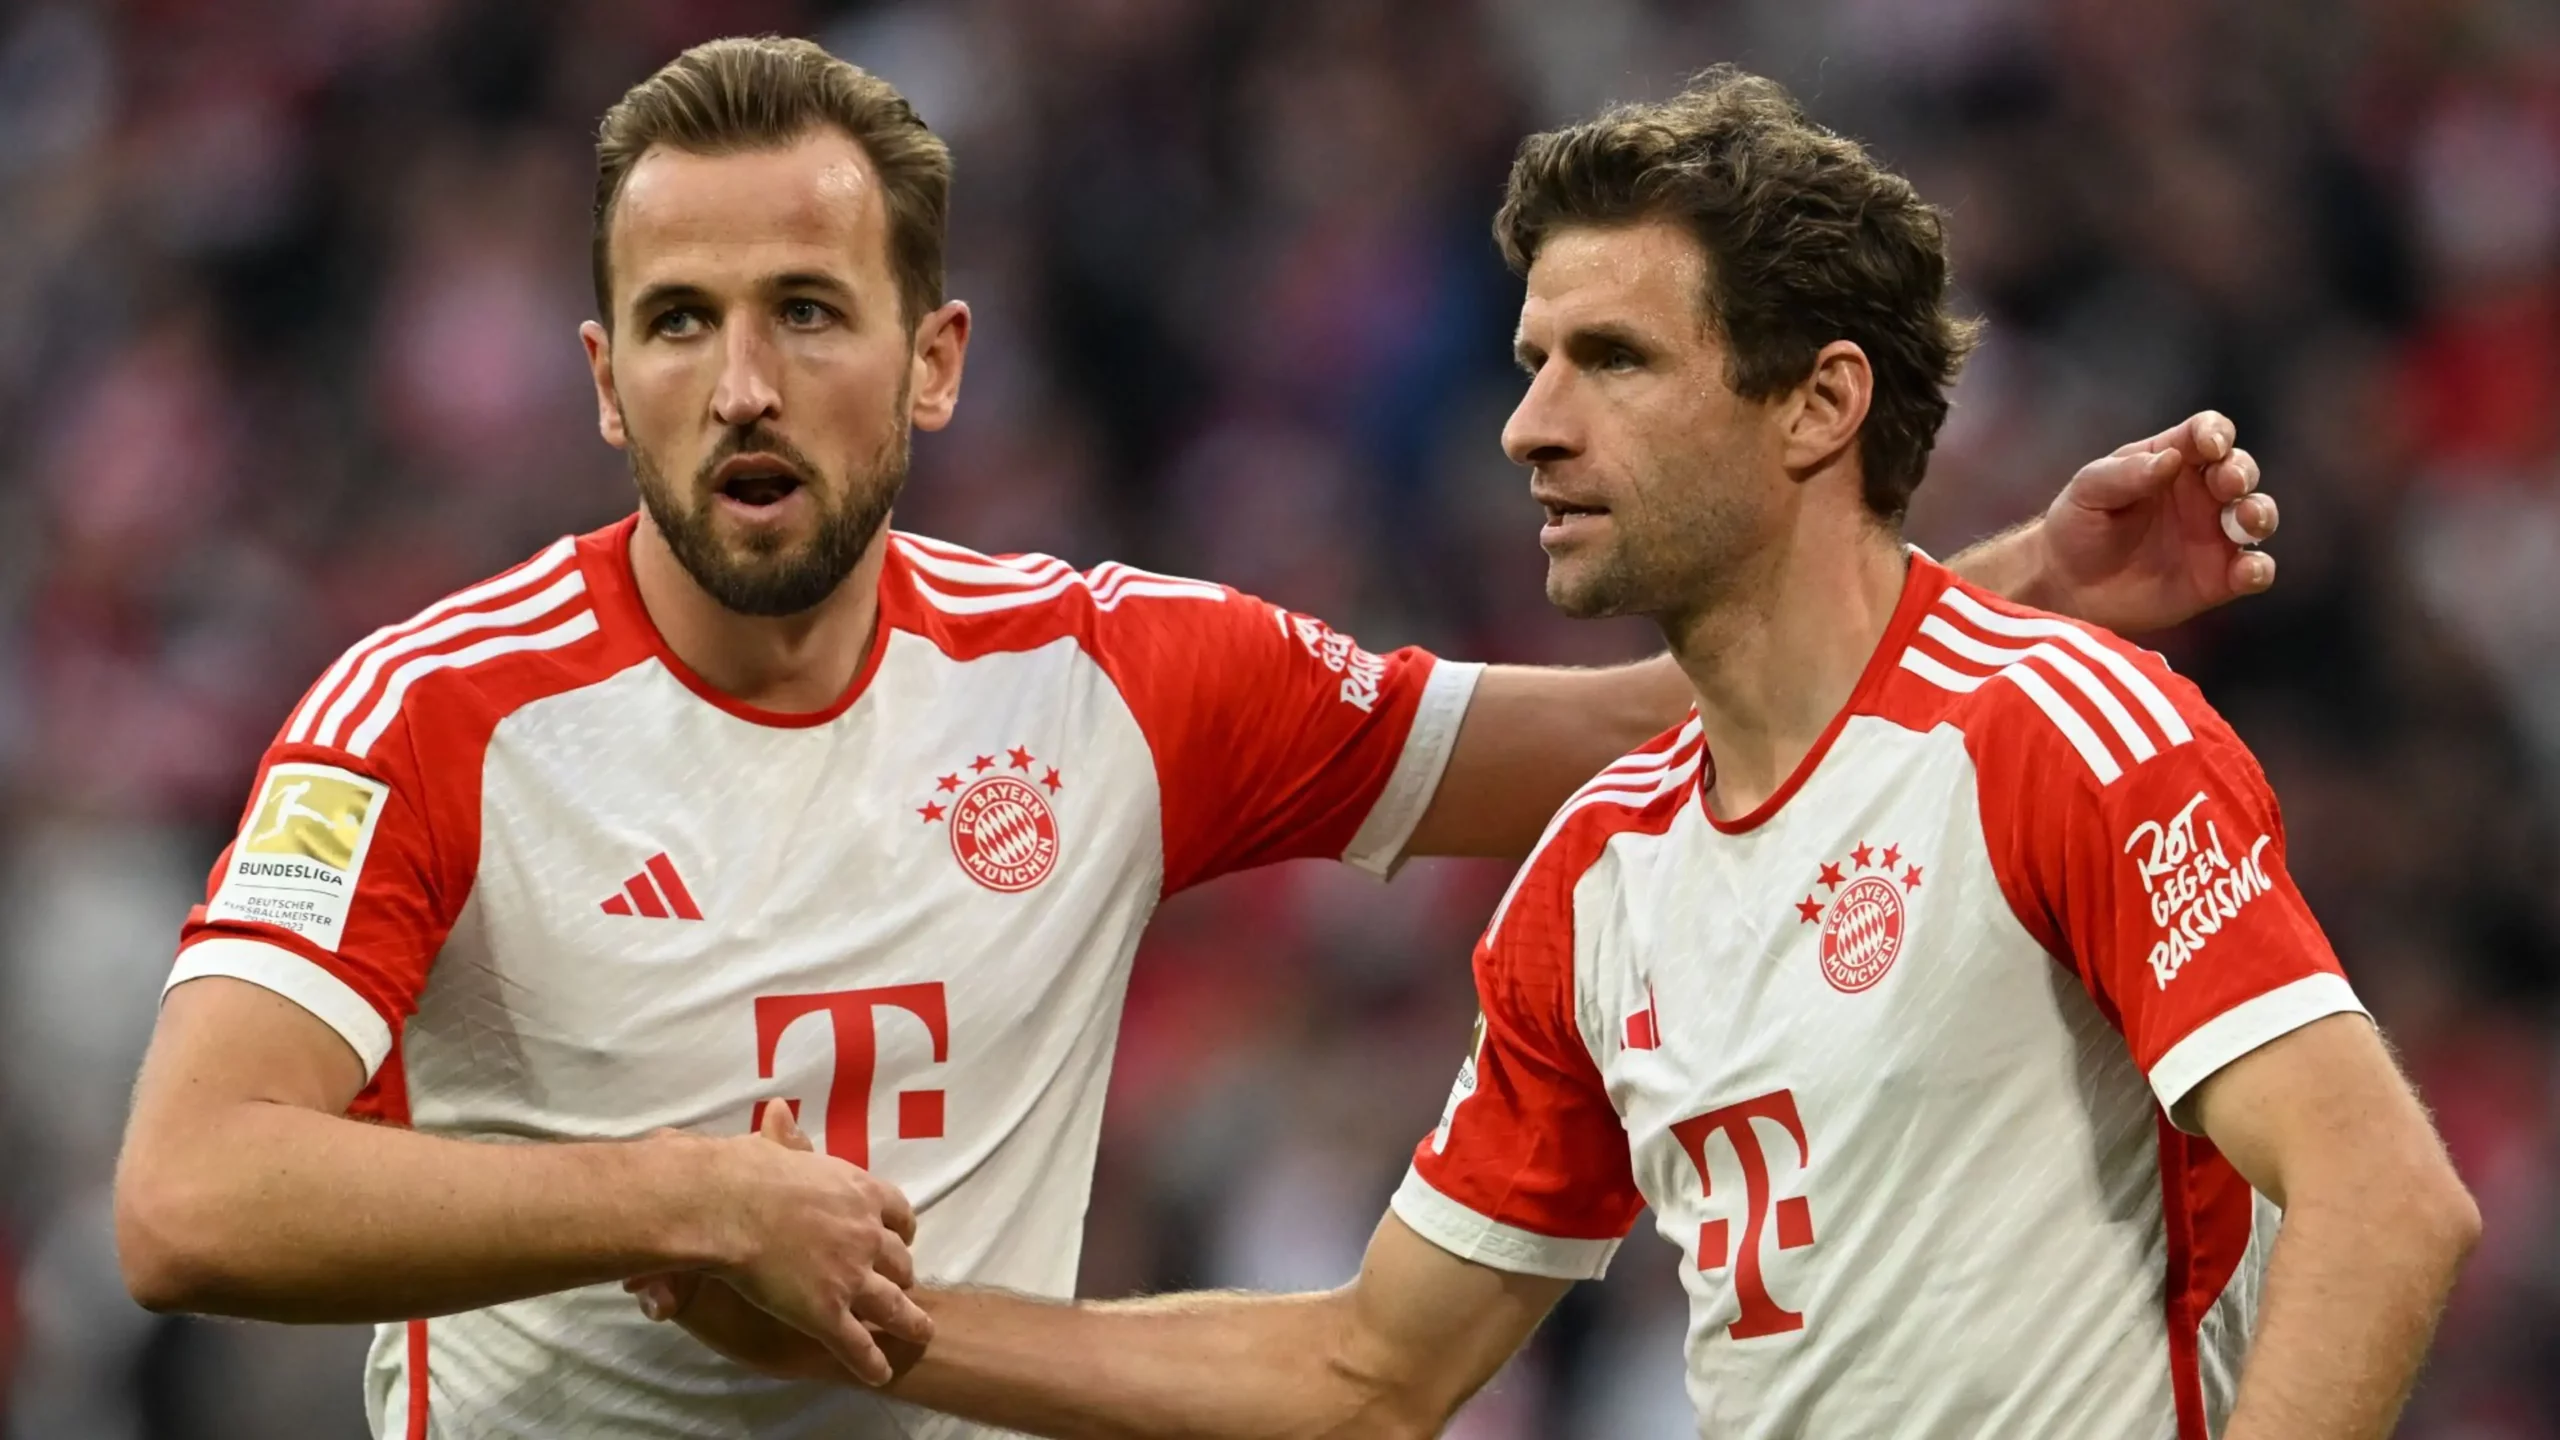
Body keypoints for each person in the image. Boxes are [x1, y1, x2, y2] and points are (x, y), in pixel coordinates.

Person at [113, 38, 2279, 1440]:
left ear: (935, 360)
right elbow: (188, 1200)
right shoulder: (431, 714)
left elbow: (1648, 715)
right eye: (678, 324)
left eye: (807, 313)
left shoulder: (1115, 679)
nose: (742, 385)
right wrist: (674, 1197)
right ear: (603, 382)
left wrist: (2011, 578)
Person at [644, 64, 2477, 1440]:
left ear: (1821, 403)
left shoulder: (2061, 735)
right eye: (1532, 359)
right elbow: (1365, 1373)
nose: (1528, 424)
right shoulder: (1599, 879)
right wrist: (866, 1329)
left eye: (1612, 360)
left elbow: (2385, 1200)